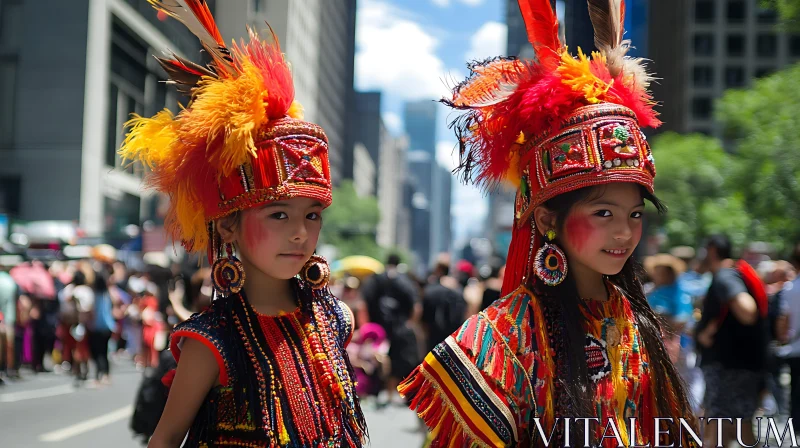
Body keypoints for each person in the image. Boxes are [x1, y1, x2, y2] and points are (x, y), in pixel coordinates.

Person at [398, 1, 698, 446]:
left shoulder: (636, 321)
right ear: (546, 217)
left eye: (634, 214)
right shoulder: (498, 338)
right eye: (603, 213)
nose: (623, 232)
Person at [119, 3, 366, 446]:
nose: (299, 233)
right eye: (278, 214)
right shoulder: (209, 341)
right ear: (228, 226)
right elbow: (165, 438)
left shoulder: (335, 319)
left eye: (312, 215)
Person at [695, 234, 768, 446]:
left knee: (718, 426)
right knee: (735, 428)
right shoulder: (737, 273)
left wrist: (708, 330)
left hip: (727, 367)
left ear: (711, 251)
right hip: (741, 365)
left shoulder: (725, 276)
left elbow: (747, 311)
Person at [360, 254, 420, 404]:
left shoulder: (375, 279)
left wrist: (367, 326)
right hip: (400, 327)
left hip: (378, 327)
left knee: (377, 358)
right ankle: (394, 391)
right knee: (399, 359)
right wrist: (410, 324)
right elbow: (416, 305)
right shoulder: (405, 280)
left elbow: (364, 303)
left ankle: (380, 390)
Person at [644, 253, 693, 363]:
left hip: (676, 343)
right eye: (656, 272)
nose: (658, 276)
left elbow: (682, 319)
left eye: (662, 272)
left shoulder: (679, 293)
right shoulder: (649, 291)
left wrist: (660, 317)